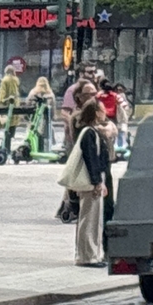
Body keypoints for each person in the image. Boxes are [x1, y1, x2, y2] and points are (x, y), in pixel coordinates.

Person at [67, 102, 113, 266]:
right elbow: (91, 159)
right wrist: (97, 181)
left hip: (94, 180)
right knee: (89, 219)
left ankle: (92, 254)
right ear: (96, 112)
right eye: (102, 110)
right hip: (91, 182)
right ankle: (87, 256)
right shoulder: (89, 133)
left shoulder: (91, 131)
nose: (105, 112)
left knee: (93, 219)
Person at [0, 60, 24, 162]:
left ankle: (4, 147)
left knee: (5, 128)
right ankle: (7, 147)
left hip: (7, 106)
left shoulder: (5, 81)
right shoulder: (16, 81)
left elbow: (2, 95)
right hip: (15, 107)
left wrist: (0, 103)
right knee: (11, 129)